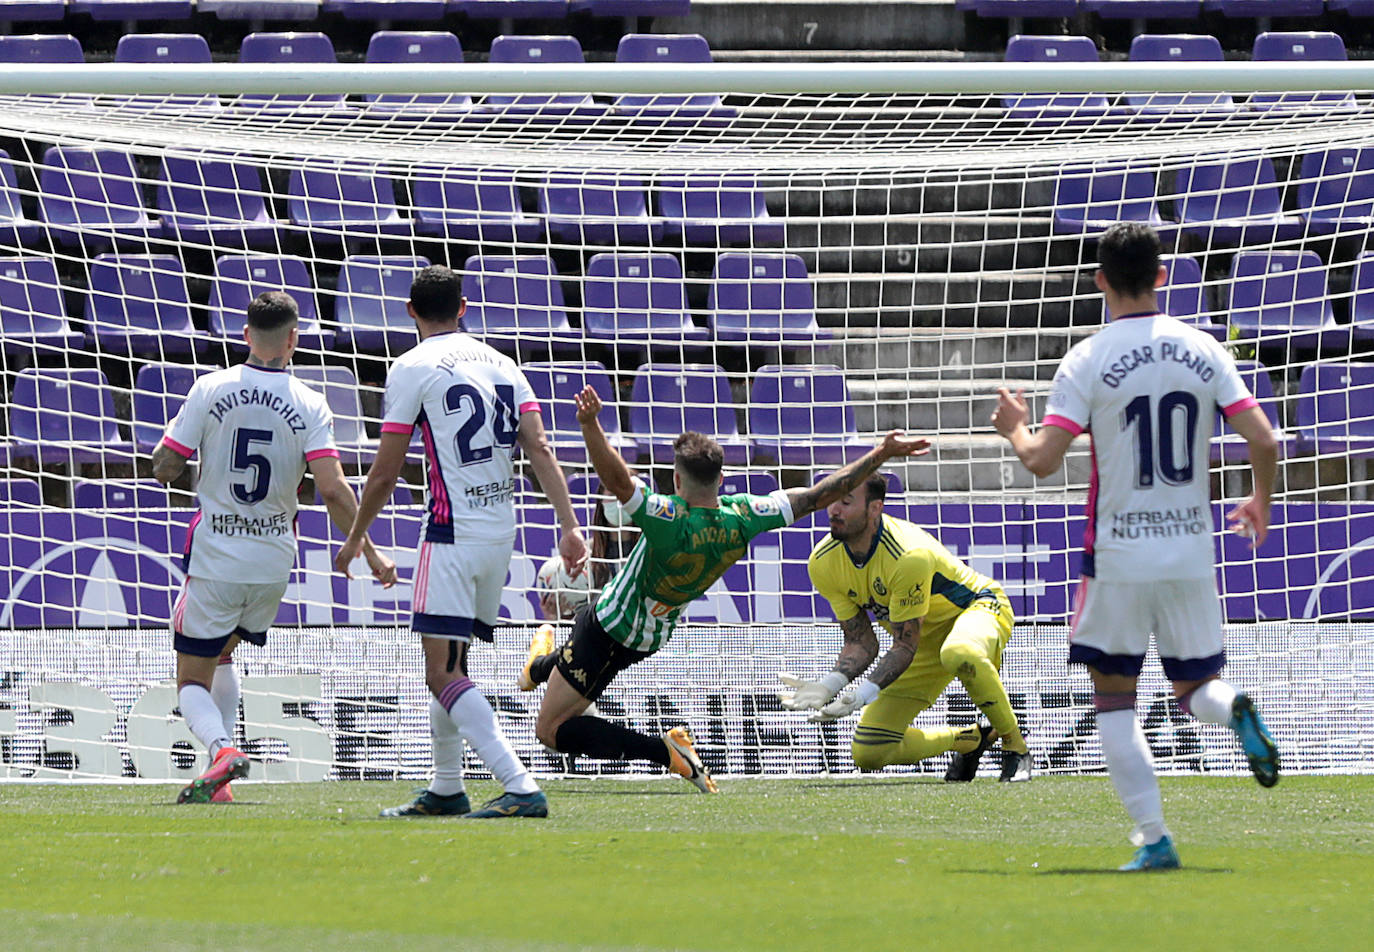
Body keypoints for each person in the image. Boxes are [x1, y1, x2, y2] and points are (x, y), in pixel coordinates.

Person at [991, 221, 1281, 871]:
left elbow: (1040, 459)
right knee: (1198, 686)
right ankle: (1234, 707)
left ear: (1100, 281)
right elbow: (1264, 440)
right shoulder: (1203, 348)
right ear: (1162, 276)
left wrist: (1014, 428)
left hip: (1118, 556)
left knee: (1115, 702)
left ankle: (1155, 840)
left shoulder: (1087, 358)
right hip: (1189, 552)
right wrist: (1259, 500)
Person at [518, 385, 930, 791]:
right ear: (721, 478)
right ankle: (539, 666)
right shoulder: (744, 515)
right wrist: (880, 454)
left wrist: (590, 424)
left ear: (676, 479)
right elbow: (819, 495)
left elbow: (616, 478)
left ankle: (666, 752)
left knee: (551, 730)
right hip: (649, 637)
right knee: (577, 637)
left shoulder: (667, 517)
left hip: (609, 630)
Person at [335, 264, 587, 820]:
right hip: (500, 532)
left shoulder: (411, 367)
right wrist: (569, 525)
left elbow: (383, 471)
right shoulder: (503, 364)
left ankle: (520, 786)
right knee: (451, 660)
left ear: (409, 311)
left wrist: (356, 539)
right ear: (465, 307)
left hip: (450, 534)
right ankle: (447, 787)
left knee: (441, 670)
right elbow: (541, 449)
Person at [152, 291, 396, 804]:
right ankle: (218, 787)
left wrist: (173, 446)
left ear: (245, 335)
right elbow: (332, 489)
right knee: (221, 655)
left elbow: (165, 466)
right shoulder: (310, 403)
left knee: (189, 680)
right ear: (293, 340)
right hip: (272, 562)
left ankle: (222, 749)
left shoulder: (209, 389)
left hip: (217, 555)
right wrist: (368, 552)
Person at [780, 473, 1032, 782]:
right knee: (869, 753)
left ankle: (1016, 749)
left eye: (846, 502)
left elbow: (903, 646)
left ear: (875, 509)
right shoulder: (822, 562)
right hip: (921, 641)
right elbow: (862, 642)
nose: (834, 510)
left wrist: (862, 694)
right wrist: (830, 684)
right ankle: (971, 739)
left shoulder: (906, 555)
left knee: (959, 651)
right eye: (831, 501)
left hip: (977, 609)